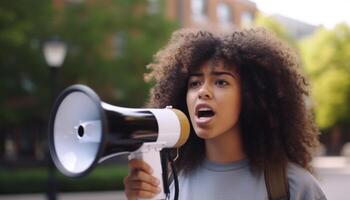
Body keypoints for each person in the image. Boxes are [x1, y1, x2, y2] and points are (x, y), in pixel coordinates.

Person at [123, 28, 327, 200]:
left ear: (251, 95)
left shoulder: (294, 187)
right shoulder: (168, 184)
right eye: (194, 83)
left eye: (221, 82)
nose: (202, 91)